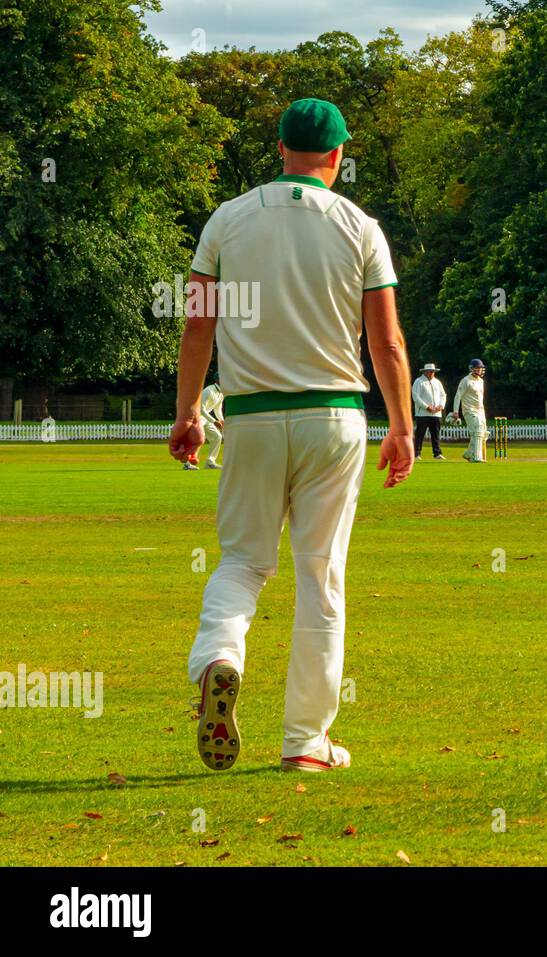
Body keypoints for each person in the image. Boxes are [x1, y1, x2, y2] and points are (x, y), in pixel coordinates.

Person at [168, 97, 413, 774]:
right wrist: (402, 424)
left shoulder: (227, 219)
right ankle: (305, 741)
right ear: (337, 156)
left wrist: (189, 410)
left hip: (247, 414)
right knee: (320, 576)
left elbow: (197, 325)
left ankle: (219, 654)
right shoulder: (359, 226)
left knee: (243, 560)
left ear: (280, 150)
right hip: (332, 417)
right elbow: (386, 341)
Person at [451, 358, 488, 462]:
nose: (479, 370)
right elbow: (458, 396)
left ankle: (468, 454)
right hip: (469, 410)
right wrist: (455, 411)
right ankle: (476, 457)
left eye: (480, 368)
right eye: (477, 368)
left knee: (483, 434)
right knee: (477, 431)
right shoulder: (466, 380)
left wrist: (483, 411)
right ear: (472, 369)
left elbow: (480, 398)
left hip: (480, 410)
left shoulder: (481, 381)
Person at [412, 363, 446, 460]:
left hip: (436, 413)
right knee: (420, 434)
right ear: (425, 372)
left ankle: (437, 453)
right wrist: (426, 407)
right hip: (422, 414)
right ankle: (416, 454)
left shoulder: (437, 382)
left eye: (433, 371)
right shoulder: (418, 382)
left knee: (436, 434)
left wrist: (441, 406)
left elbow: (443, 395)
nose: (432, 373)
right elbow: (416, 397)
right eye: (430, 371)